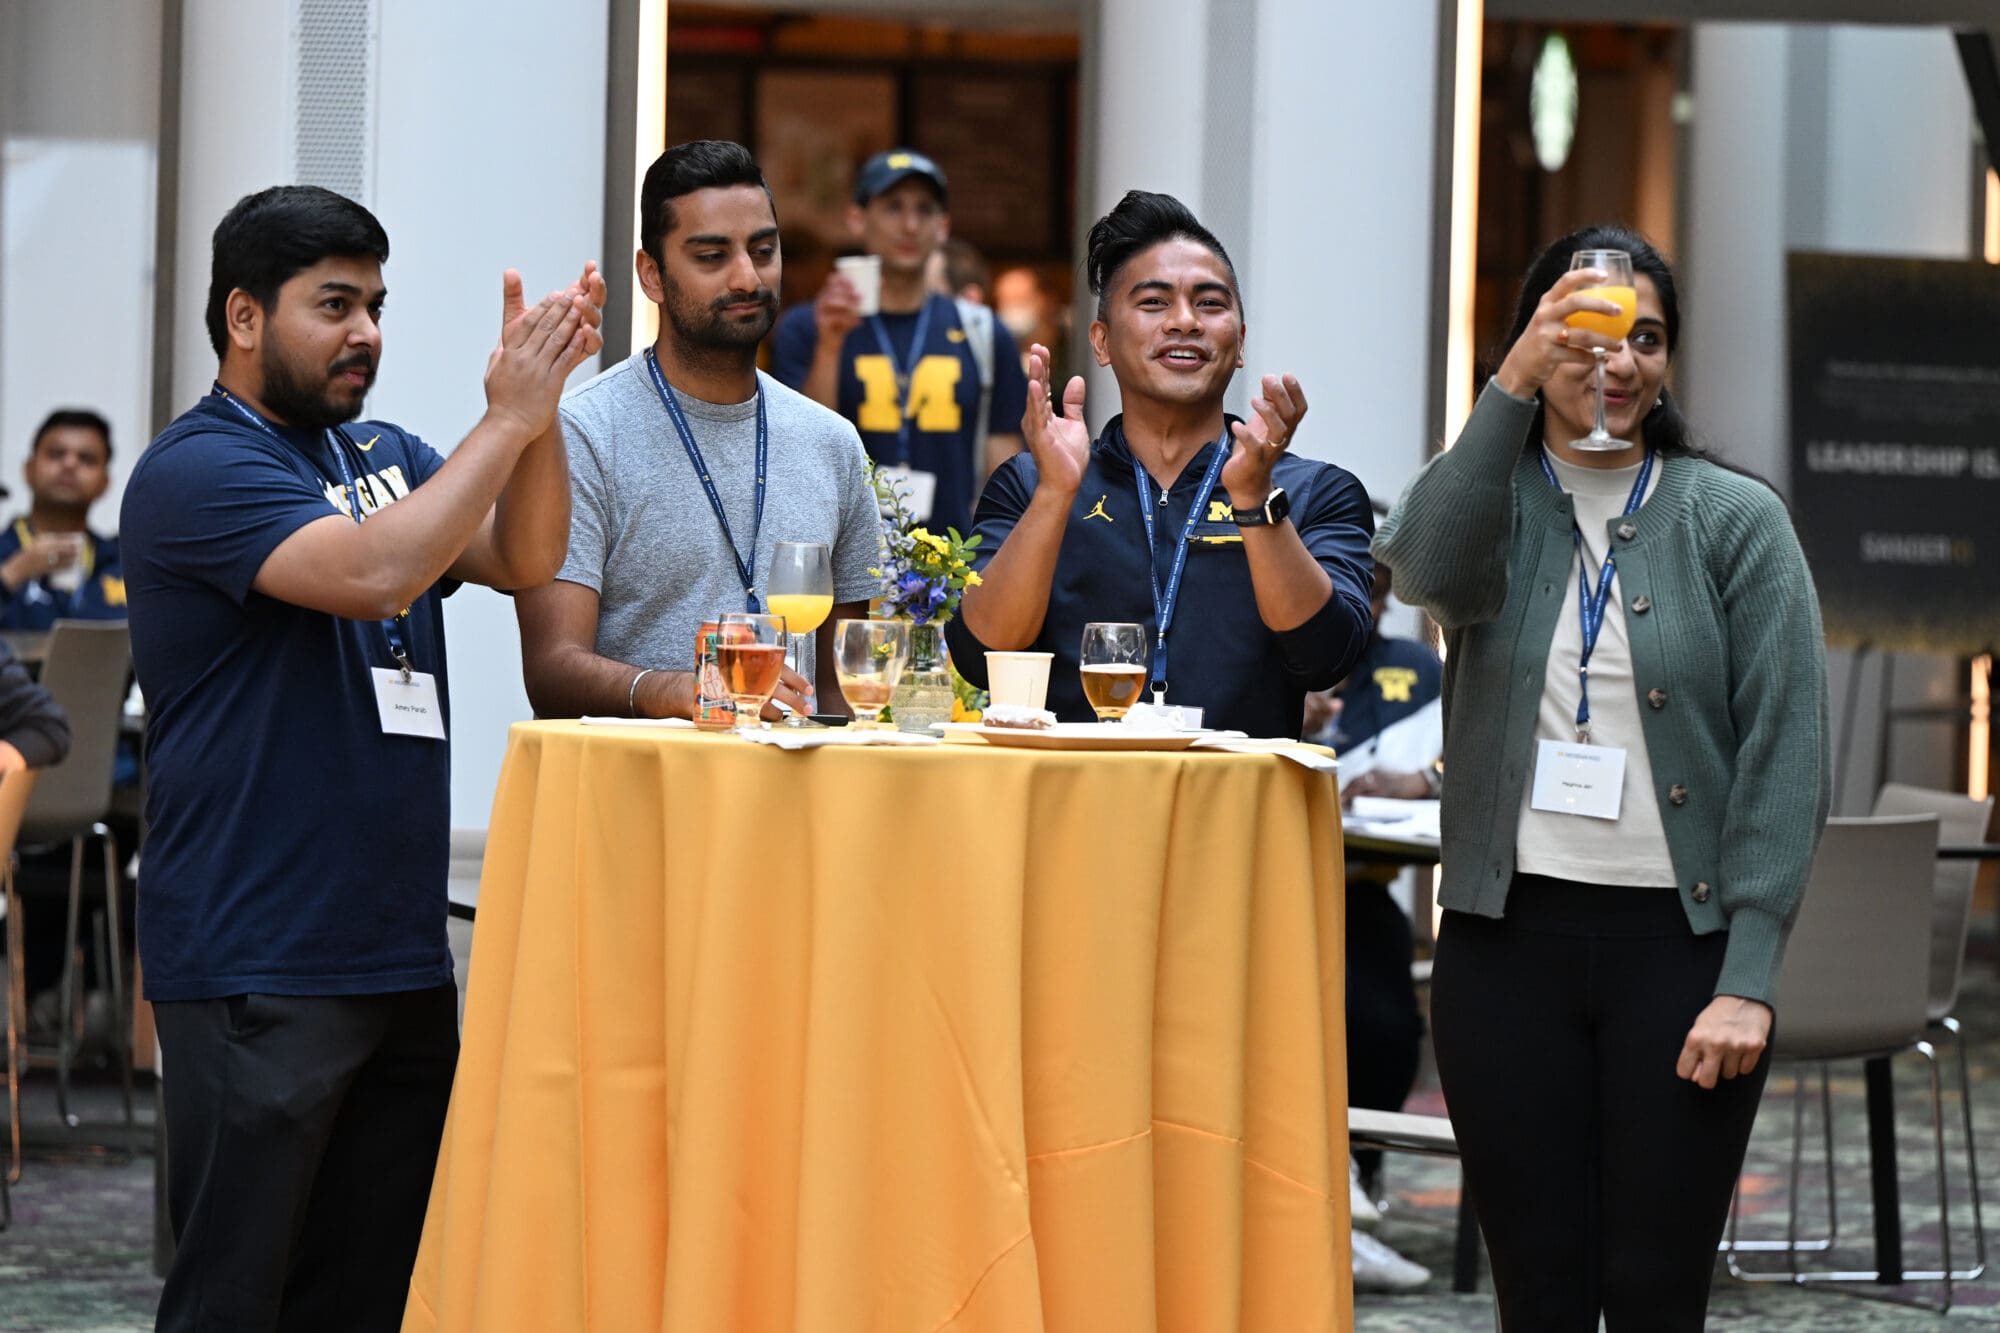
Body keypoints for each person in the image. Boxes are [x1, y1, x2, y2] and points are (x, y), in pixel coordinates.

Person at [122, 184, 602, 1332]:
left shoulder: (388, 451)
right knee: (237, 1294)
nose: (367, 333)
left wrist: (534, 423)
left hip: (391, 954)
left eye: (376, 305)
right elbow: (371, 574)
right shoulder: (195, 469)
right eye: (333, 304)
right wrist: (502, 422)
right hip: (257, 952)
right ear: (244, 318)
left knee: (371, 1290)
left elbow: (526, 552)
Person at [1374, 223, 1830, 1329]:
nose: (1617, 362)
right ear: (1533, 337)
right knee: (1536, 1289)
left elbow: (1787, 751)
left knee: (1650, 1288)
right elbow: (1421, 571)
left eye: (1646, 338)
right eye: (1584, 334)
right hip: (1502, 945)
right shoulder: (1490, 496)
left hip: (1679, 961)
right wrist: (1507, 392)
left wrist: (1749, 973)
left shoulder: (1733, 519)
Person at [946, 190, 1374, 739]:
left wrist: (1254, 502)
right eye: (1153, 302)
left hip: (1239, 808)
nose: (1184, 321)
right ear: (1100, 342)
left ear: (1239, 343)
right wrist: (1055, 494)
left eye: (1211, 304)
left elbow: (1326, 658)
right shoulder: (1031, 483)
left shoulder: (1313, 491)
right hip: (1071, 802)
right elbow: (981, 656)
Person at [516, 140, 881, 722]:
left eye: (763, 251)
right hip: (645, 795)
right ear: (652, 275)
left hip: (794, 798)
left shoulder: (831, 442)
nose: (746, 277)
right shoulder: (583, 433)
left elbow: (843, 686)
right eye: (711, 256)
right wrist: (678, 691)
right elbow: (552, 669)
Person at [770, 149, 1029, 538]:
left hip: (954, 563)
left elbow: (1004, 467)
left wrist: (993, 559)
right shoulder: (807, 327)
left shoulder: (982, 331)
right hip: (841, 559)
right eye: (892, 207)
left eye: (924, 210)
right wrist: (829, 347)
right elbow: (802, 456)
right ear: (857, 219)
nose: (909, 225)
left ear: (943, 226)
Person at [0, 409, 125, 629]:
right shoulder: (5, 553)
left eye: (86, 459)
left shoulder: (123, 565)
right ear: (28, 470)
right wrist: (14, 572)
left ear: (105, 482)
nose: (70, 464)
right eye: (56, 454)